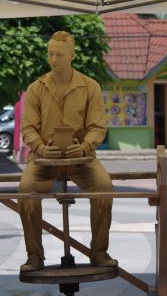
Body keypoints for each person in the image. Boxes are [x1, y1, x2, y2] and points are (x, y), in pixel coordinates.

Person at [18, 31, 116, 272]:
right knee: (26, 190)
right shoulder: (36, 88)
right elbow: (28, 127)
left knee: (104, 187)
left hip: (81, 158)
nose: (54, 59)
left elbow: (97, 127)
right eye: (50, 54)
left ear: (72, 55)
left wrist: (84, 147)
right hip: (43, 159)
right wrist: (40, 147)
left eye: (59, 55)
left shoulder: (90, 87)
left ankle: (99, 252)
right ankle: (34, 256)